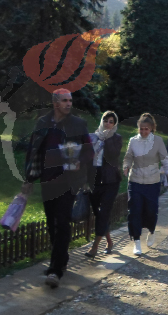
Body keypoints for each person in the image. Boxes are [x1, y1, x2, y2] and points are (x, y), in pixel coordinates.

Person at [22, 89, 93, 288]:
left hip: (69, 181)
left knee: (62, 221)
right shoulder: (43, 123)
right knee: (51, 222)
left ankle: (55, 270)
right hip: (48, 180)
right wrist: (28, 179)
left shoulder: (78, 124)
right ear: (55, 103)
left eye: (70, 100)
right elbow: (33, 152)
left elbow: (89, 151)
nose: (69, 103)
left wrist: (80, 161)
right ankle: (61, 258)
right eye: (64, 100)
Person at [122, 113, 168, 255]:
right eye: (141, 129)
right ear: (138, 128)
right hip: (135, 181)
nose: (144, 131)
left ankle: (151, 231)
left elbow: (165, 159)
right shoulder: (133, 141)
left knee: (151, 211)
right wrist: (126, 166)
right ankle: (137, 241)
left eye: (146, 129)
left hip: (152, 182)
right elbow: (128, 157)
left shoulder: (157, 141)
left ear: (151, 128)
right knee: (134, 211)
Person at [85, 111, 123, 258]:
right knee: (97, 212)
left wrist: (105, 139)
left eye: (111, 122)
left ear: (115, 124)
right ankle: (109, 241)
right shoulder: (93, 136)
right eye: (106, 121)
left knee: (104, 212)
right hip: (94, 178)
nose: (108, 124)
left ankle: (95, 247)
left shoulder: (116, 138)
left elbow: (113, 154)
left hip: (111, 180)